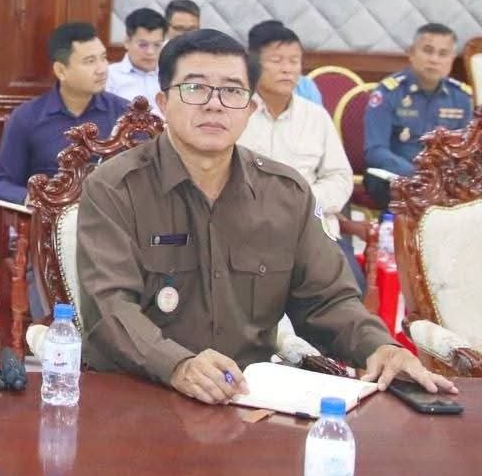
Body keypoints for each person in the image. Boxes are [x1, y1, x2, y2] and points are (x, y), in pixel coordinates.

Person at [77, 29, 455, 405]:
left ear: (250, 108)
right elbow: (110, 310)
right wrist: (178, 366)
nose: (214, 105)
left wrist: (379, 347)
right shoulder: (115, 188)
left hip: (246, 400)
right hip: (138, 394)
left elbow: (326, 302)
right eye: (195, 88)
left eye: (232, 91)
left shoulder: (285, 193)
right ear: (163, 102)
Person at [239, 21, 361, 289]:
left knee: (350, 285)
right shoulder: (235, 112)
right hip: (249, 230)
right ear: (253, 64)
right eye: (277, 60)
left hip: (312, 229)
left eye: (294, 61)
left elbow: (340, 177)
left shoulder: (316, 117)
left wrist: (302, 202)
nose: (288, 69)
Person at [0, 22, 131, 204]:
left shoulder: (124, 113)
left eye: (103, 58)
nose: (102, 69)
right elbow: (2, 184)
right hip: (48, 215)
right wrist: (33, 199)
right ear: (61, 71)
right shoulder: (27, 117)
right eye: (90, 61)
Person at [364, 23, 472, 209]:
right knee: (376, 178)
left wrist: (445, 179)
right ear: (412, 53)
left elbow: (467, 152)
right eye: (428, 51)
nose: (434, 59)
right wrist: (417, 175)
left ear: (452, 59)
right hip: (401, 177)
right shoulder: (389, 92)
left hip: (445, 182)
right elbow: (374, 150)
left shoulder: (461, 97)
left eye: (443, 54)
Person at [107, 8, 165, 113]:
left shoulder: (170, 75)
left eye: (157, 45)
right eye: (143, 45)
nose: (150, 52)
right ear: (127, 42)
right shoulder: (109, 76)